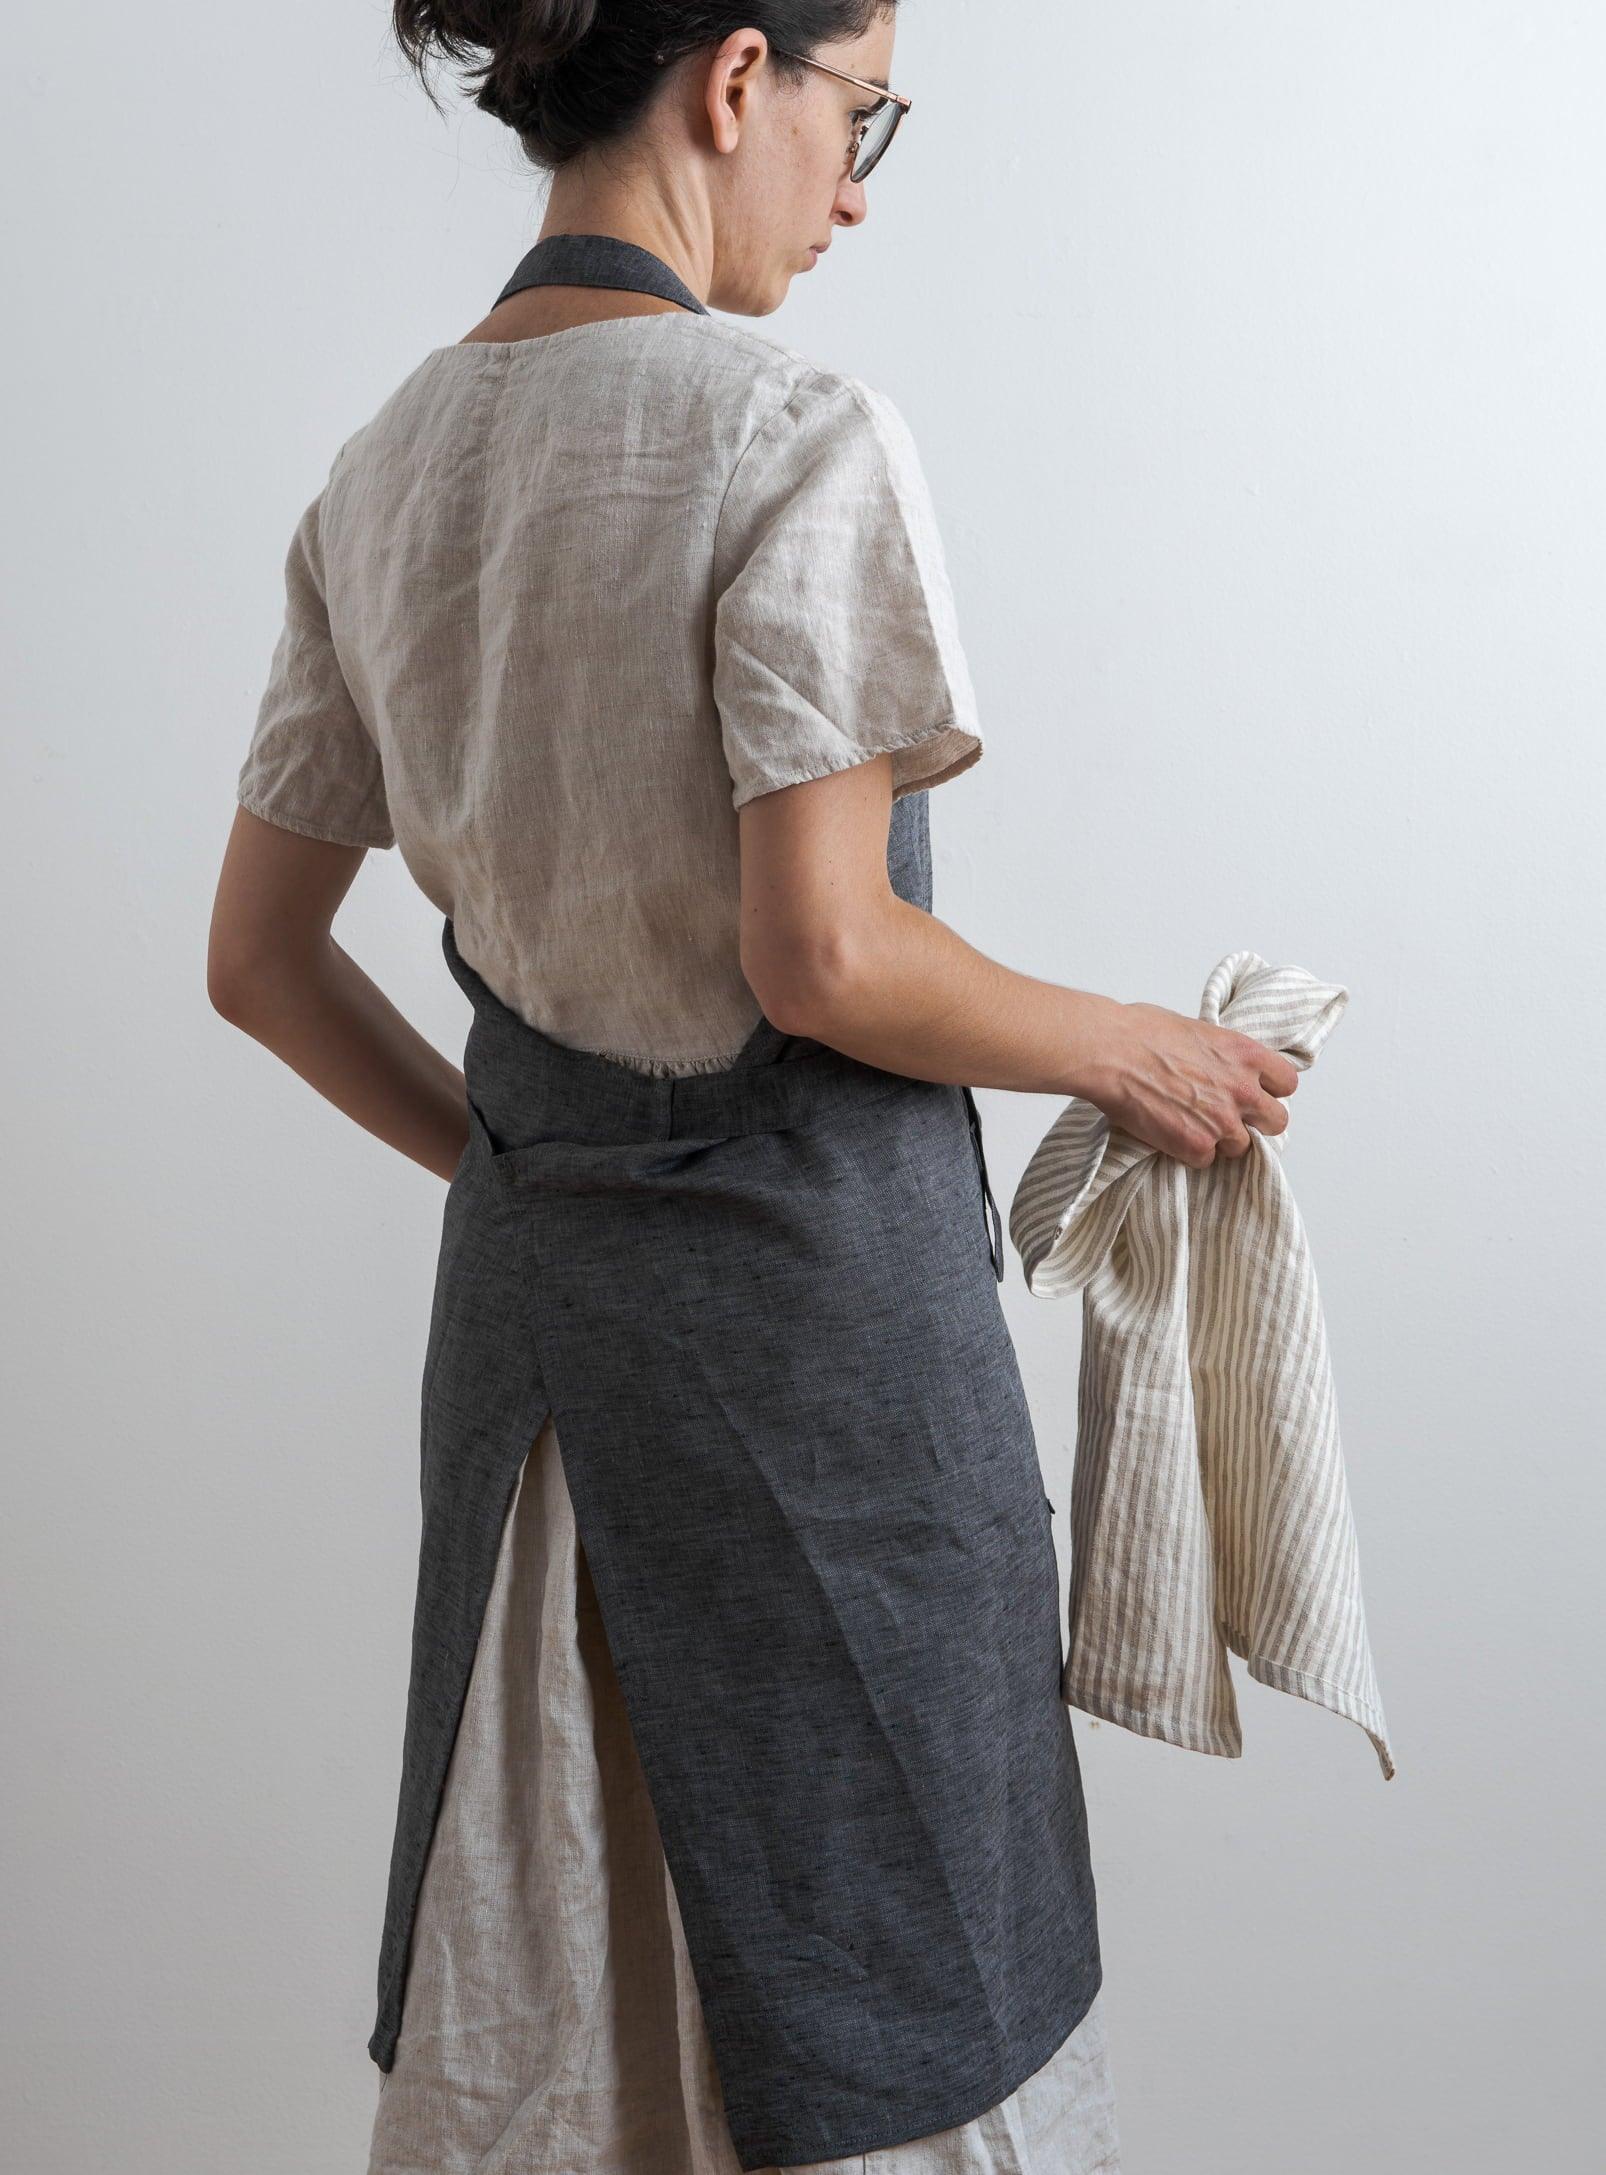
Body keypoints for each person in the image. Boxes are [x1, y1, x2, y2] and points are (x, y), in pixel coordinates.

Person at [208, 6, 1298, 2172]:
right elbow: (826, 952)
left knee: (567, 1955)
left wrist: (529, 1166)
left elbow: (254, 963)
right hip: (814, 1343)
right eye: (854, 106)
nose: (859, 177)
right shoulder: (789, 428)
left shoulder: (381, 468)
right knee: (897, 1956)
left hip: (531, 1358)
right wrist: (1139, 1048)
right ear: (733, 80)